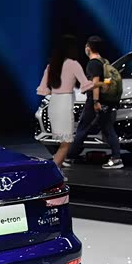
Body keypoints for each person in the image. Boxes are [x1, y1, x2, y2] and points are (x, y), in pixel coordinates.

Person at [36, 35, 93, 169]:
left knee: (64, 142)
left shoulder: (51, 66)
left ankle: (57, 172)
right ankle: (53, 171)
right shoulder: (73, 64)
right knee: (66, 143)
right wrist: (100, 84)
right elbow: (85, 85)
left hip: (54, 103)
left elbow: (43, 89)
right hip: (65, 103)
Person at [66, 36, 123, 169]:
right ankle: (116, 158)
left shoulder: (93, 64)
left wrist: (96, 101)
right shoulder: (104, 61)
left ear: (88, 48)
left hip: (95, 102)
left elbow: (96, 84)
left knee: (82, 128)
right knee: (108, 129)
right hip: (106, 101)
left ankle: (69, 158)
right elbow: (106, 82)